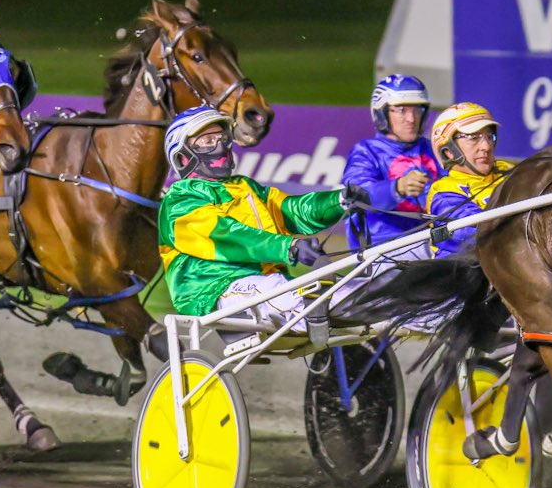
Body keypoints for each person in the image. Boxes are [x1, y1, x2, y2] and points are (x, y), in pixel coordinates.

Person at [158, 106, 354, 327]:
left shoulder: (245, 186)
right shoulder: (180, 201)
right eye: (207, 140)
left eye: (222, 137)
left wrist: (340, 200)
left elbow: (293, 210)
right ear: (182, 157)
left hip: (265, 284)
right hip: (214, 290)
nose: (220, 145)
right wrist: (289, 247)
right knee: (283, 293)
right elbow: (228, 235)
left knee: (345, 291)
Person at [341, 74, 440, 257]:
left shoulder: (434, 149)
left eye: (417, 110)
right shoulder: (366, 151)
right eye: (401, 110)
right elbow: (357, 195)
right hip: (383, 247)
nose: (411, 119)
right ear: (382, 113)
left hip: (434, 243)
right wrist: (397, 188)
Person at [426, 102, 512, 258]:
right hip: (464, 269)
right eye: (473, 138)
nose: (486, 146)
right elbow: (482, 234)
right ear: (449, 151)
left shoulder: (508, 170)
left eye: (489, 137)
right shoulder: (444, 193)